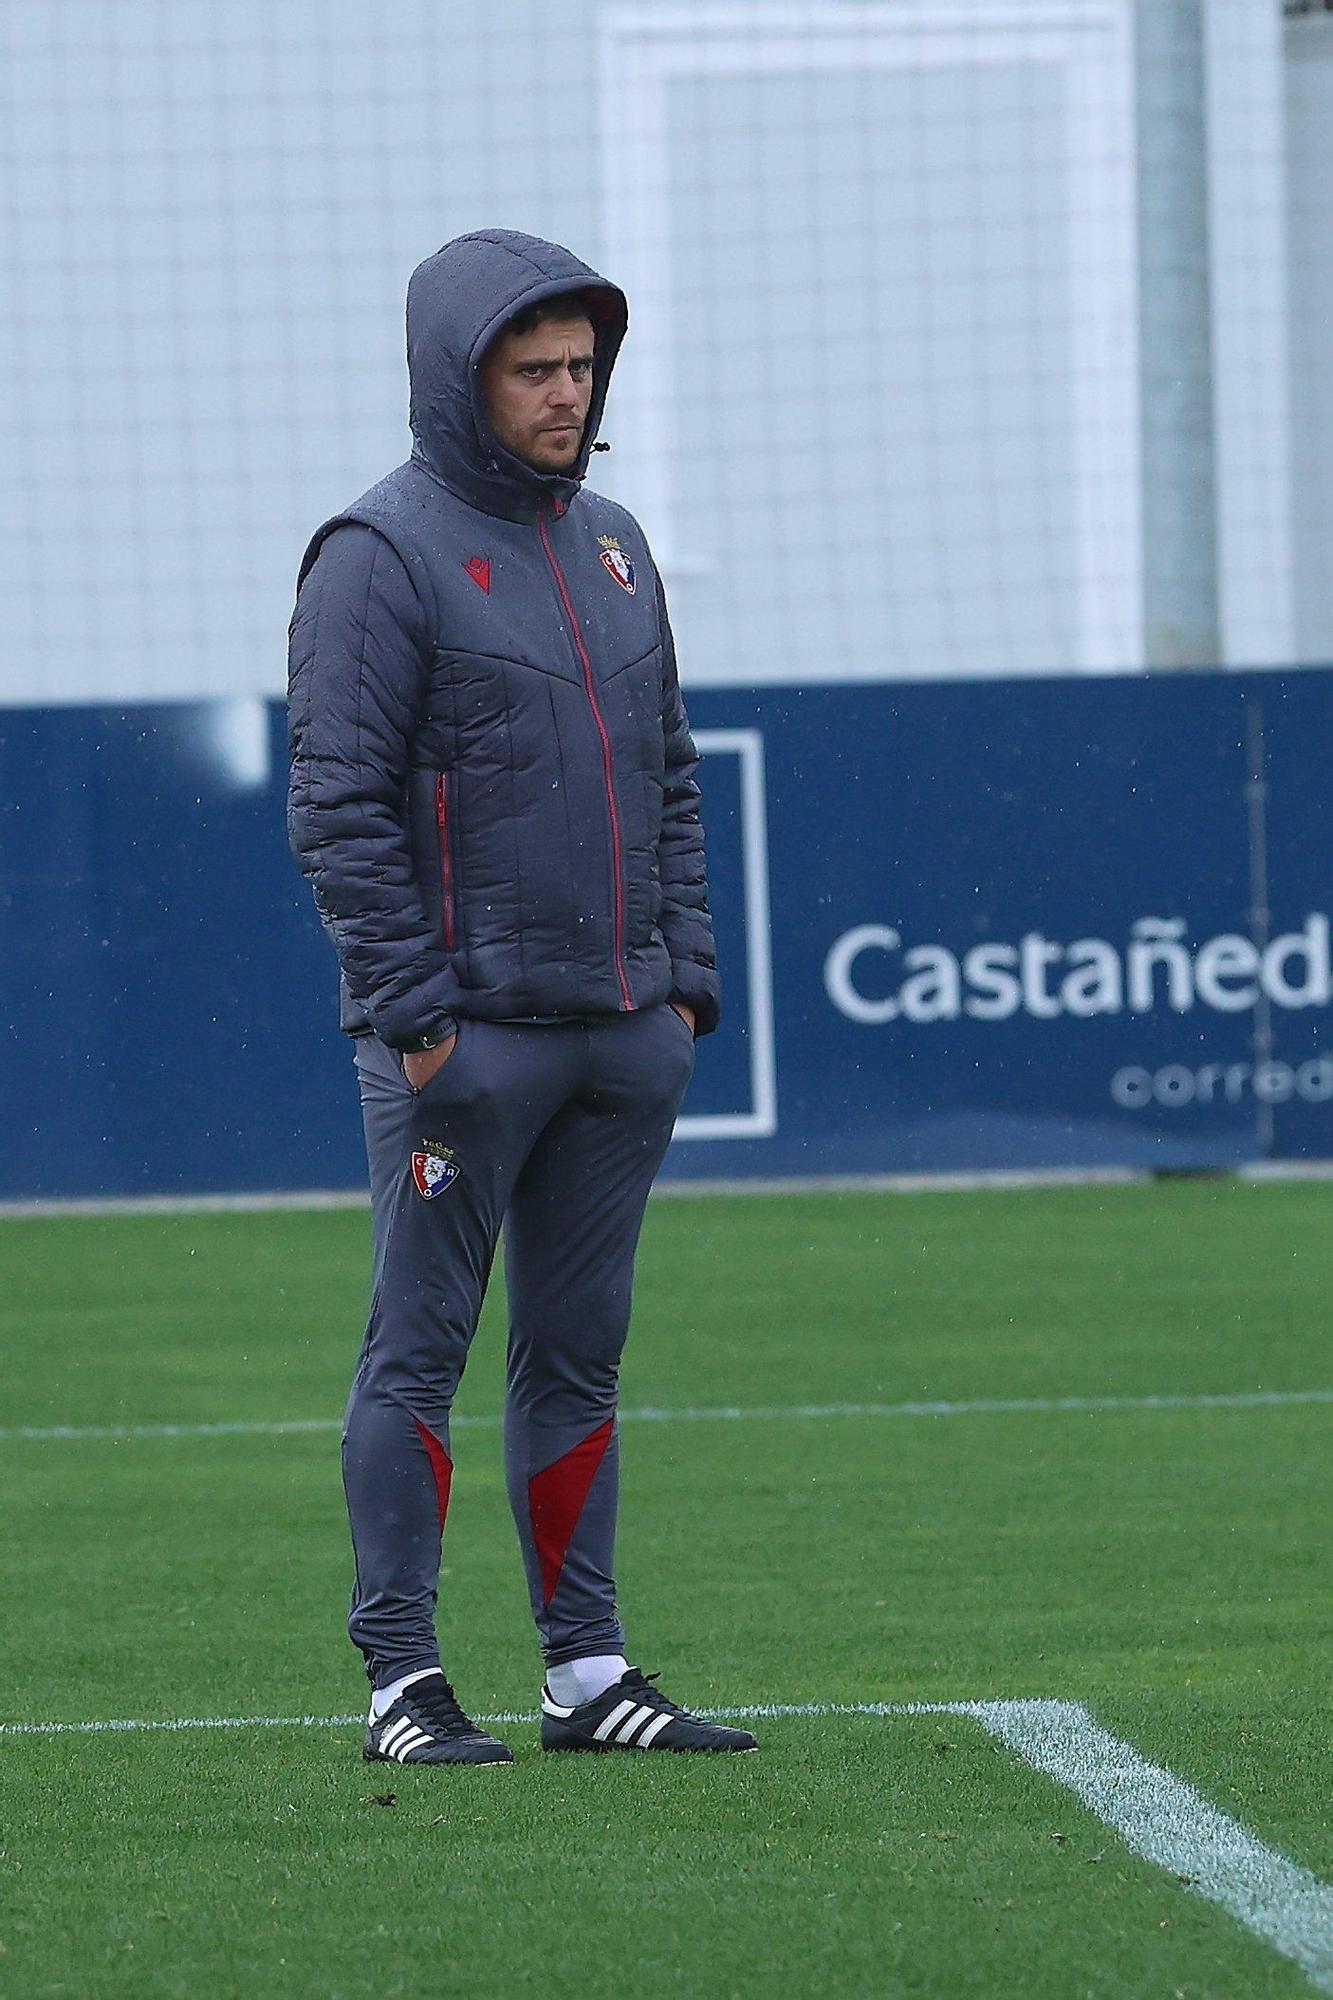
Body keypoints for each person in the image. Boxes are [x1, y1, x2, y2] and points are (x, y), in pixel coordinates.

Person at [287, 229, 756, 1764]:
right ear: (457, 378)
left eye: (580, 367)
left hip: (620, 1036)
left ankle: (587, 1675)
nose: (566, 394)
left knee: (580, 1355)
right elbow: (336, 805)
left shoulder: (614, 541)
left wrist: (678, 986)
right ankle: (403, 1683)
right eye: (532, 368)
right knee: (414, 1352)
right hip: (464, 1048)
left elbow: (670, 778)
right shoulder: (377, 552)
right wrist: (420, 1018)